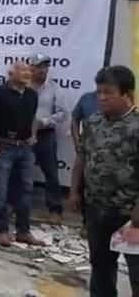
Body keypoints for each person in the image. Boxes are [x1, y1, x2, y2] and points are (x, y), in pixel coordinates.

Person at [69, 66, 139, 296]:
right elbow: (82, 157)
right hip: (96, 209)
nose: (101, 97)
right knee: (100, 267)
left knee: (136, 271)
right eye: (99, 92)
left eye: (108, 92)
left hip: (129, 215)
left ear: (127, 94)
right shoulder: (93, 122)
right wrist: (74, 191)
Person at [0, 62, 44, 247]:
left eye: (29, 71)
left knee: (26, 189)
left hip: (25, 148)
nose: (28, 73)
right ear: (11, 73)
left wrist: (33, 134)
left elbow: (33, 117)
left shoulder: (32, 95)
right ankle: (2, 230)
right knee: (2, 190)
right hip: (4, 148)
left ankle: (23, 231)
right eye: (23, 70)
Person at [28, 53, 66, 223]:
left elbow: (62, 113)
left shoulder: (54, 88)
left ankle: (55, 209)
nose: (43, 70)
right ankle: (16, 205)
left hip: (45, 134)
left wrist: (44, 121)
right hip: (24, 135)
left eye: (45, 66)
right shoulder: (23, 86)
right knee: (21, 171)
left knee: (51, 172)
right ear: (31, 67)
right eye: (39, 66)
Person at [70, 89, 99, 235]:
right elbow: (74, 119)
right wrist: (76, 140)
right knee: (85, 186)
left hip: (107, 156)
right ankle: (86, 224)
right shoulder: (87, 98)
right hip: (88, 150)